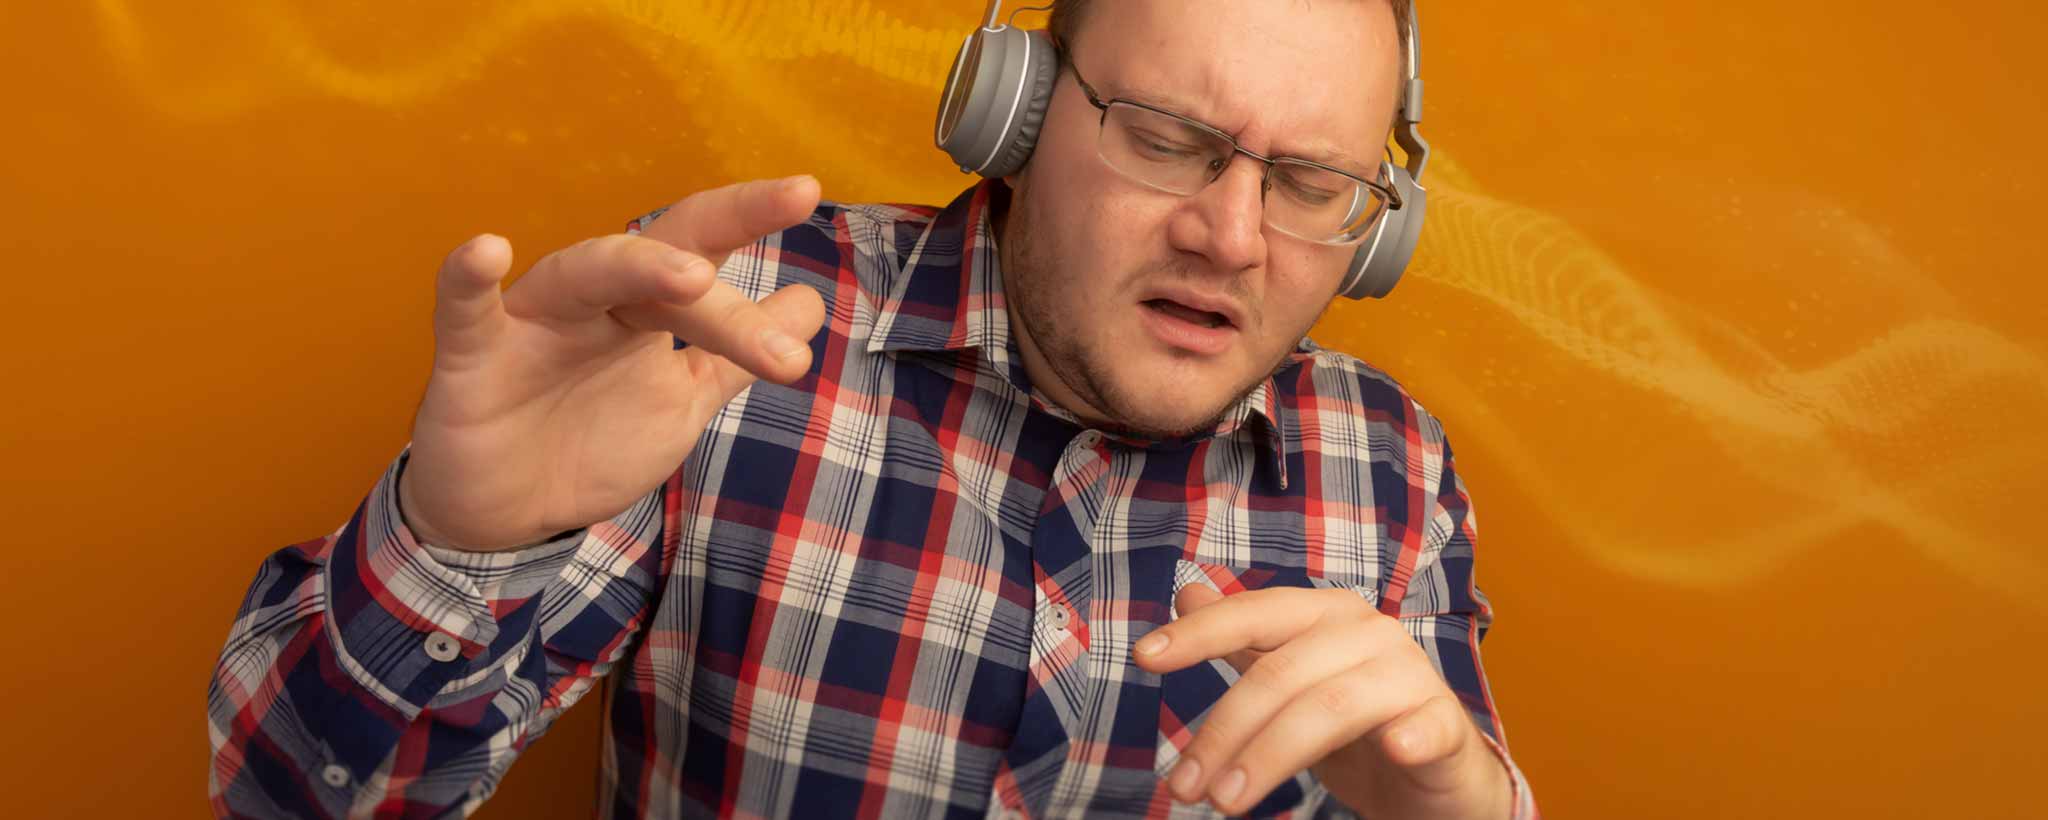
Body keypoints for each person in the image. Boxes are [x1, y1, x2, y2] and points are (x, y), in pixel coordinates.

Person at [207, 0, 1537, 817]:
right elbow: (292, 799)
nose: (1233, 237)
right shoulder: (738, 333)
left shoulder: (1392, 471)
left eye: (1310, 184)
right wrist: (457, 544)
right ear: (1008, 113)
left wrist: (1469, 815)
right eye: (1164, 135)